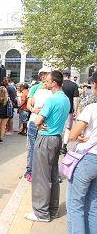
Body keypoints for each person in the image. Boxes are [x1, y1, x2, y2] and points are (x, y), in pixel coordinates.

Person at [25, 70, 70, 222]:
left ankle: (41, 213)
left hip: (45, 139)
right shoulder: (65, 99)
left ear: (54, 83)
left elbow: (37, 121)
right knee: (53, 175)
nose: (45, 83)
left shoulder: (52, 99)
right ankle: (52, 209)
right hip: (57, 138)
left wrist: (39, 122)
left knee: (41, 177)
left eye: (47, 81)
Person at [66, 71, 97, 234]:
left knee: (75, 205)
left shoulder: (92, 108)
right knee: (93, 206)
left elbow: (72, 135)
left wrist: (78, 135)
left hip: (88, 160)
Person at [24, 67, 52, 182]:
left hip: (43, 123)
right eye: (41, 74)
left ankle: (35, 171)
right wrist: (33, 109)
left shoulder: (52, 90)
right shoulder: (35, 88)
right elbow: (28, 105)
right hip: (34, 121)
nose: (43, 76)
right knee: (32, 148)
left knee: (41, 148)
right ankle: (29, 170)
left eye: (45, 74)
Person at [61, 70, 79, 154]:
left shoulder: (59, 84)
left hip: (59, 109)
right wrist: (75, 110)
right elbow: (75, 99)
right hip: (69, 110)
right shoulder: (74, 85)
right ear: (69, 76)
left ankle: (57, 145)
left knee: (59, 127)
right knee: (68, 128)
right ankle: (64, 146)